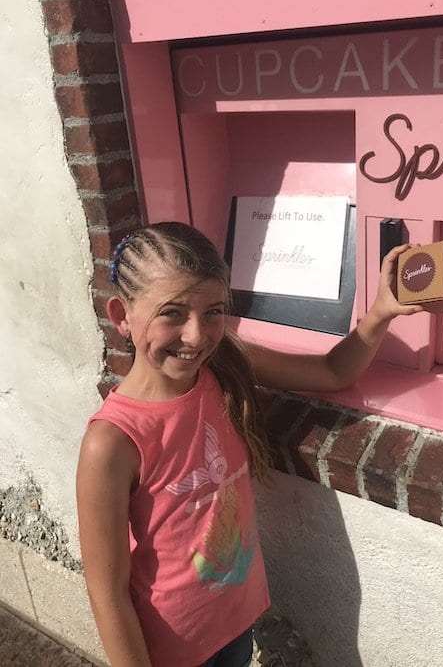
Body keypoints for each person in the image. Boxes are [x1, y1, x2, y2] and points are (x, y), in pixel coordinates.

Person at [76, 221, 422, 667]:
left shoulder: (224, 366)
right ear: (122, 315)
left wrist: (380, 313)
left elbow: (334, 372)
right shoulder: (112, 442)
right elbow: (107, 594)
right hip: (172, 652)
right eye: (173, 313)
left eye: (214, 311)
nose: (197, 335)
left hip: (238, 626)